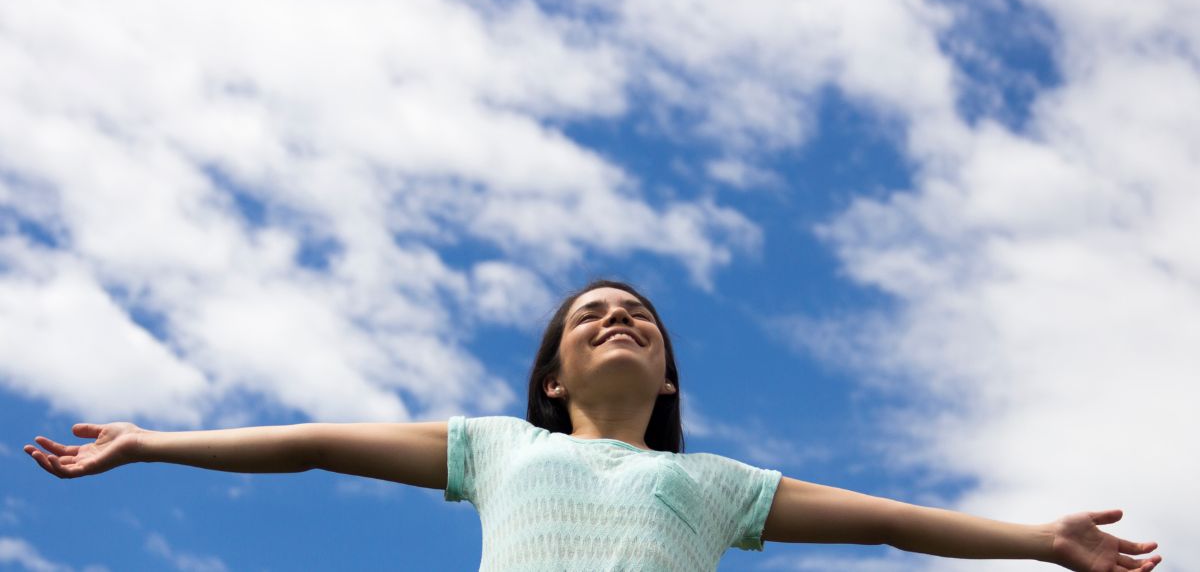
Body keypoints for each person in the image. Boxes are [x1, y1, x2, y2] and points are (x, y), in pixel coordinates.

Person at [26, 280, 1162, 571]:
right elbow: (319, 438)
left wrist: (1038, 540)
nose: (618, 321)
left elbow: (895, 522)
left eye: (640, 318)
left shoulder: (718, 481)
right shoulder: (498, 446)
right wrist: (155, 440)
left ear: (665, 376)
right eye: (591, 318)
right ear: (555, 379)